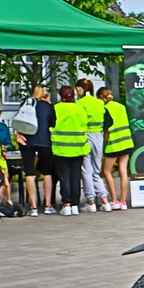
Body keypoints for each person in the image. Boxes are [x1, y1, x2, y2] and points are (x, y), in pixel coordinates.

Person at [52, 86, 90, 216]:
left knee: (64, 177)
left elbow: (50, 125)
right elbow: (85, 125)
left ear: (60, 96)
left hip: (60, 148)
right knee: (75, 177)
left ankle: (66, 204)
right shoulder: (80, 109)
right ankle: (75, 204)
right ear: (73, 95)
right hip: (78, 147)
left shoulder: (56, 109)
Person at [75, 78, 111, 212]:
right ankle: (105, 201)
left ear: (79, 88)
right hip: (98, 136)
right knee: (96, 171)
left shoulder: (79, 103)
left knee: (86, 171)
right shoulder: (100, 103)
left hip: (85, 137)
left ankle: (91, 202)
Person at [20, 86, 57, 216]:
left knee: (30, 173)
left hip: (26, 140)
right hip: (44, 141)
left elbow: (18, 120)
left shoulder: (26, 103)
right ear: (45, 95)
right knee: (47, 173)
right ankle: (47, 205)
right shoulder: (48, 107)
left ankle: (33, 207)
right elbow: (52, 124)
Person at [99, 87, 133, 209]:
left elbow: (107, 129)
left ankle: (114, 200)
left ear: (101, 97)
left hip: (114, 144)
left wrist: (104, 145)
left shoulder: (105, 109)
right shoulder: (121, 106)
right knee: (123, 171)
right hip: (126, 142)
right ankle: (123, 202)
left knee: (106, 171)